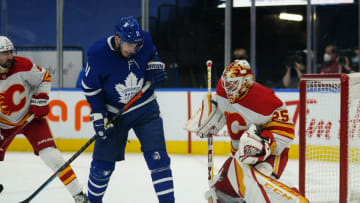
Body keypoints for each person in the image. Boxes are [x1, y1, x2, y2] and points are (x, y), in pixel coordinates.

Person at [81, 16, 175, 203]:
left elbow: (151, 54)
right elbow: (90, 87)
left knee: (159, 160)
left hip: (145, 108)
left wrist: (155, 65)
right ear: (117, 39)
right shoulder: (98, 54)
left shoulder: (144, 40)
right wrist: (98, 113)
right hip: (113, 114)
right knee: (102, 168)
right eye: (129, 45)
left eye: (137, 45)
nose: (134, 49)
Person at [185, 60, 307, 202]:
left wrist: (265, 144)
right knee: (220, 193)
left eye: (233, 83)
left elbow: (286, 132)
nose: (228, 88)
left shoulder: (266, 99)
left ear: (246, 82)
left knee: (256, 186)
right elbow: (222, 106)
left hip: (270, 156)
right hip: (238, 155)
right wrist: (212, 112)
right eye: (226, 83)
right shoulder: (222, 90)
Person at [0, 36, 88, 203]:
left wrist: (41, 98)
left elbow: (44, 78)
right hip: (2, 123)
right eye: (5, 53)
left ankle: (79, 196)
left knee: (52, 157)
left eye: (11, 52)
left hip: (30, 119)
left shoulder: (23, 65)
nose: (10, 56)